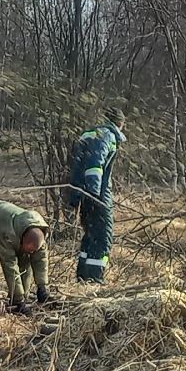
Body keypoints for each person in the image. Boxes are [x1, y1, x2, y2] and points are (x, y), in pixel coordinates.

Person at [67, 107, 126, 283]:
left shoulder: (89, 134)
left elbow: (78, 168)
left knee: (90, 235)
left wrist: (76, 196)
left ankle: (83, 275)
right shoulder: (107, 135)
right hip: (98, 194)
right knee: (103, 235)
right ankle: (94, 278)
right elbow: (95, 165)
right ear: (120, 123)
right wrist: (94, 194)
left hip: (83, 192)